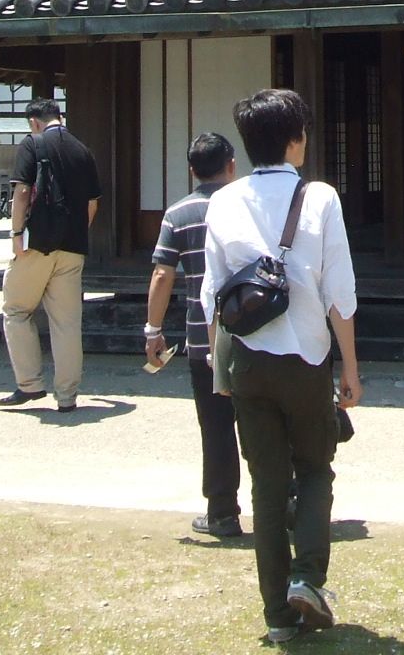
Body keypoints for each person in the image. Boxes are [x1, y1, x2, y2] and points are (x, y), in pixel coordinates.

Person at [201, 89, 360, 644]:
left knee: (266, 487)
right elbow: (340, 291)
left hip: (248, 360)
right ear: (296, 139)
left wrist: (220, 370)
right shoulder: (320, 198)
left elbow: (212, 295)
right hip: (306, 357)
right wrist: (351, 367)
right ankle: (306, 578)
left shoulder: (224, 201)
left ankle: (278, 617)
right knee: (315, 469)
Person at [146, 133, 243, 538]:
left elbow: (162, 274)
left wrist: (153, 330)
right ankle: (284, 504)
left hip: (204, 339)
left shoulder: (178, 214)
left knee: (216, 428)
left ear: (192, 170)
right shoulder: (247, 207)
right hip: (256, 334)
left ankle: (222, 512)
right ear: (231, 165)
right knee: (266, 424)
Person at [0, 99, 101, 413]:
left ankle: (30, 384)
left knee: (16, 310)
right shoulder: (82, 151)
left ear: (34, 122)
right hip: (73, 247)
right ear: (60, 117)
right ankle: (67, 397)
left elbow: (22, 191)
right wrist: (75, 232)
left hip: (37, 244)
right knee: (66, 324)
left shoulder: (32, 144)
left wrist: (17, 234)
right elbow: (92, 203)